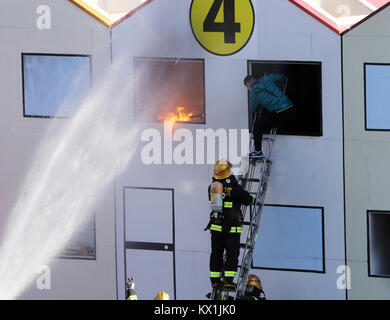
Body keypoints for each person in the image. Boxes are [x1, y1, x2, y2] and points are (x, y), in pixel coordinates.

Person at [206, 159, 255, 290]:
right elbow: (248, 200)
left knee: (216, 254)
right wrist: (253, 200)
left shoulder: (212, 187)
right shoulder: (235, 189)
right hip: (231, 229)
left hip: (216, 228)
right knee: (232, 255)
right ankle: (228, 281)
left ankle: (215, 281)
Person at [244, 73, 296, 158]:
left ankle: (257, 151)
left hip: (282, 113)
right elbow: (282, 77)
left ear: (248, 86)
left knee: (257, 124)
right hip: (291, 108)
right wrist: (278, 88)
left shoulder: (253, 93)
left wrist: (262, 101)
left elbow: (254, 109)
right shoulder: (266, 79)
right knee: (271, 116)